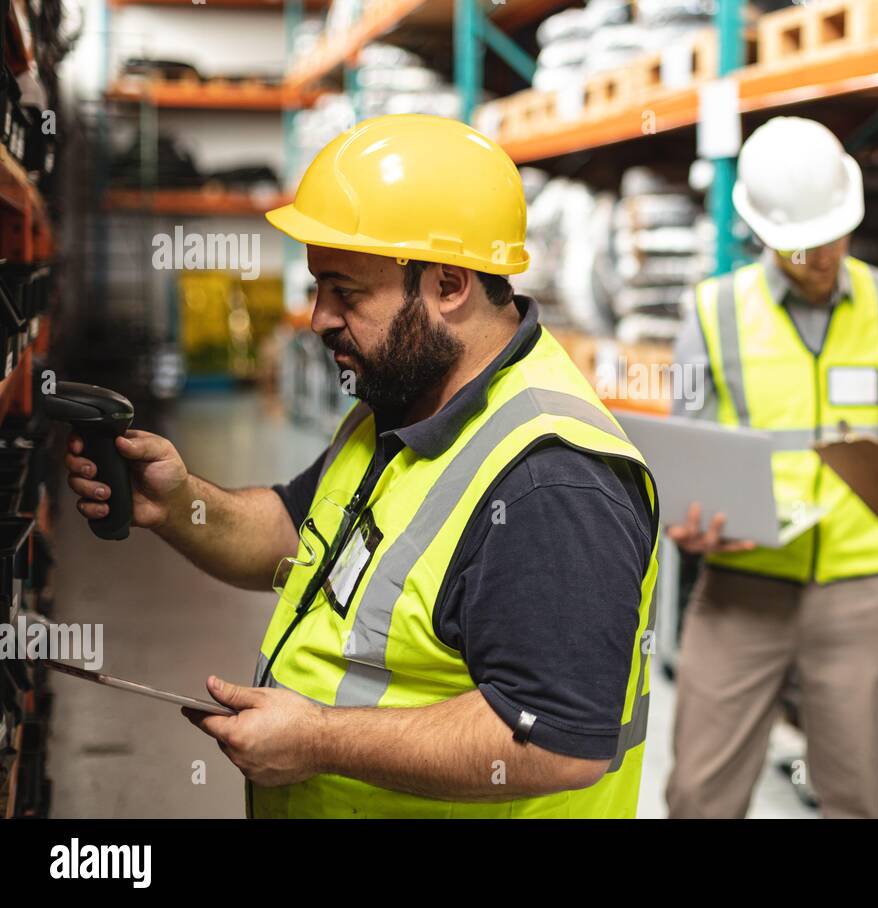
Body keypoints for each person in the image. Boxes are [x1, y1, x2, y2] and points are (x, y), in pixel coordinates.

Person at [65, 115, 660, 818]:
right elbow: (296, 530)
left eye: (346, 292)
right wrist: (179, 502)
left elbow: (556, 739)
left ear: (447, 284)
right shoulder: (404, 397)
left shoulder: (551, 481)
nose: (318, 317)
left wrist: (319, 741)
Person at [665, 116, 878, 818]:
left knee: (856, 800)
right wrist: (690, 522)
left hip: (862, 592)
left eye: (833, 235)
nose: (823, 254)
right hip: (743, 585)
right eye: (803, 245)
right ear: (763, 233)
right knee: (696, 798)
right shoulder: (713, 314)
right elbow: (687, 450)